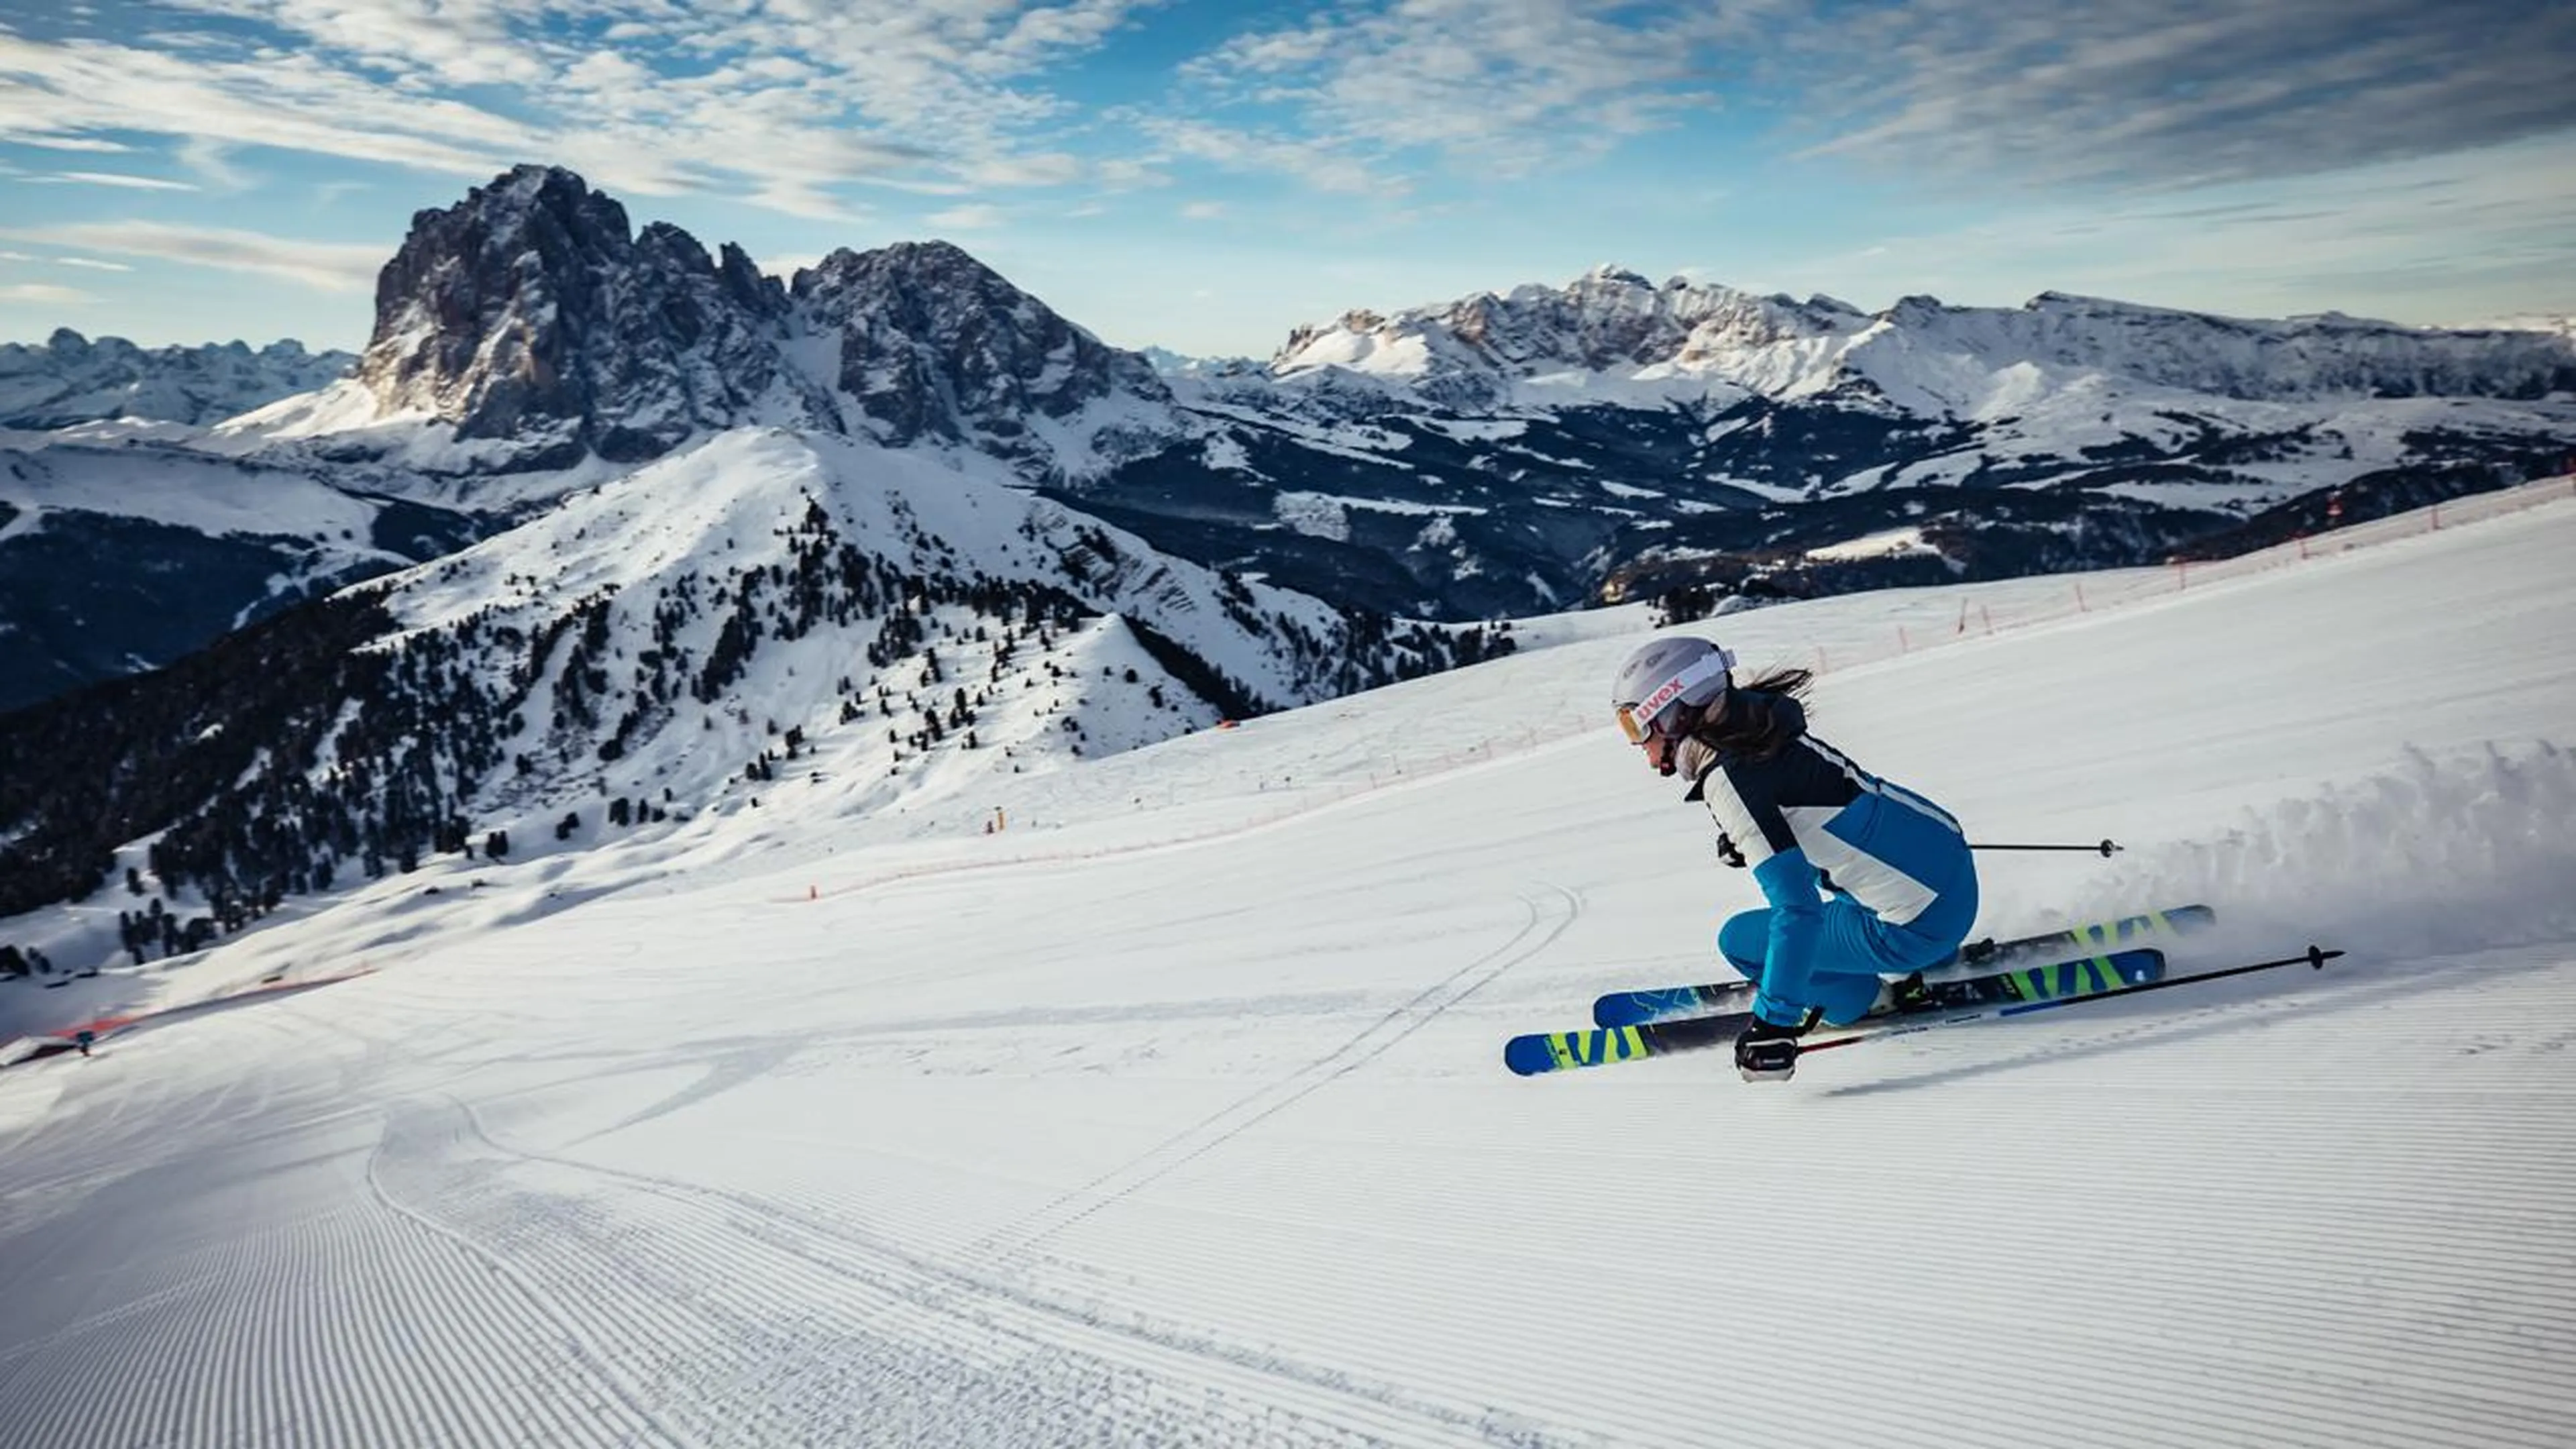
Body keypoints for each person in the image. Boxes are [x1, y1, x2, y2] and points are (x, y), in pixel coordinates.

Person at [1608, 636, 1978, 1082]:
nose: (1638, 745)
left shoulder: (1729, 780)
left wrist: (1773, 1025)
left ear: (1675, 711)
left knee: (1739, 942)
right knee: (1843, 899)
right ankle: (1915, 964)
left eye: (1635, 725)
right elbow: (1818, 806)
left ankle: (1867, 998)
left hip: (1916, 928)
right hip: (1949, 870)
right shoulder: (1762, 724)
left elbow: (1797, 911)